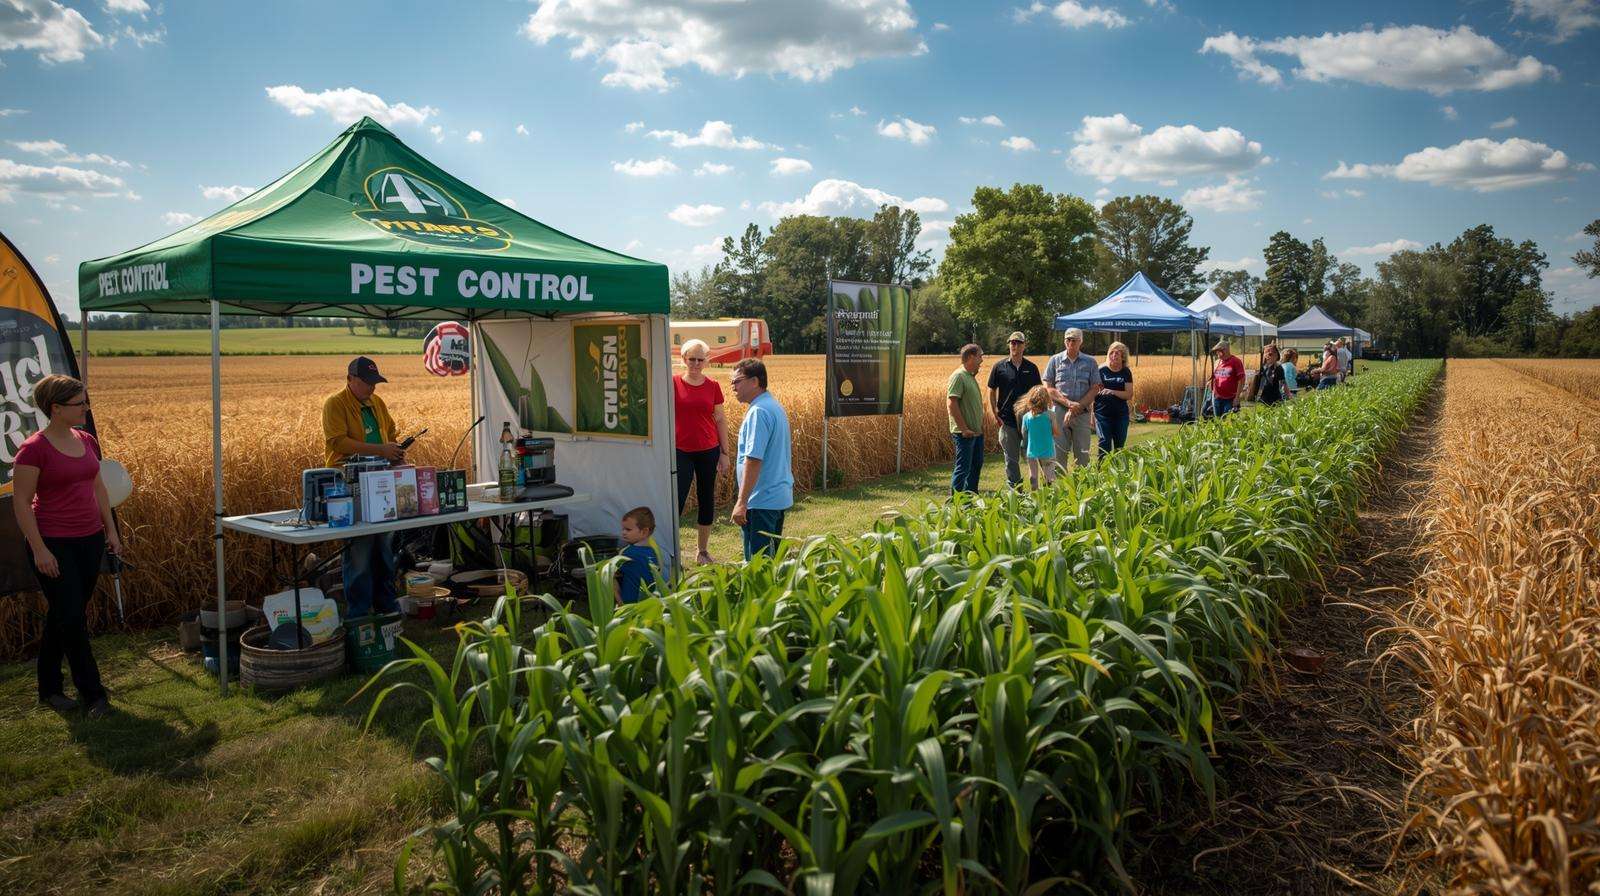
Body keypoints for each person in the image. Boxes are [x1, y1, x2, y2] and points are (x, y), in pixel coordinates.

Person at [11, 374, 120, 717]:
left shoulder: (86, 439)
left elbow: (98, 487)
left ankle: (48, 688)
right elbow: (22, 502)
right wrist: (40, 549)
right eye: (79, 403)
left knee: (63, 614)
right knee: (72, 618)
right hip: (53, 543)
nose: (86, 407)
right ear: (56, 408)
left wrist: (111, 531)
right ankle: (95, 696)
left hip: (89, 540)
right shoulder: (34, 449)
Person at [322, 356, 405, 619]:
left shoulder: (377, 403)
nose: (372, 387)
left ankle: (387, 608)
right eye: (367, 382)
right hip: (350, 485)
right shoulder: (335, 404)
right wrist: (380, 450)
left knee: (383, 547)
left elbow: (390, 434)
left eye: (375, 382)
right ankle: (358, 615)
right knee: (359, 552)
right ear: (350, 379)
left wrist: (395, 452)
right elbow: (338, 442)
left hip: (380, 482)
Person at [673, 339, 730, 566]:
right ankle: (671, 550)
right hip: (680, 451)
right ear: (684, 359)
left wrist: (725, 453)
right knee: (676, 500)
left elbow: (720, 419)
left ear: (706, 361)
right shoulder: (673, 383)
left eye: (700, 359)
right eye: (691, 359)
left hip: (708, 450)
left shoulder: (713, 385)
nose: (695, 363)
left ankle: (702, 551)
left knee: (707, 499)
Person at [729, 359, 793, 560]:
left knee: (758, 565)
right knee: (771, 560)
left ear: (755, 381)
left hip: (761, 500)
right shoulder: (772, 405)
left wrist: (742, 502)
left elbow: (754, 459)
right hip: (775, 497)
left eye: (737, 381)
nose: (733, 387)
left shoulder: (759, 412)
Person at [987, 331, 1041, 490]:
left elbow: (1038, 392)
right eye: (1012, 342)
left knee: (1033, 455)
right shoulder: (999, 367)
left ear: (1024, 346)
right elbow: (991, 390)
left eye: (1018, 343)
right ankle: (1016, 491)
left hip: (1028, 420)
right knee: (1011, 459)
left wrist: (1037, 413)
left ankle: (1036, 488)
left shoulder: (1031, 368)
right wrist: (994, 411)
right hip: (1008, 421)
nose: (1014, 345)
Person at [1042, 328, 1100, 467]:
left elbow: (1095, 388)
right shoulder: (1055, 360)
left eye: (1074, 340)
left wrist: (1077, 406)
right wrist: (1068, 403)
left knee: (1082, 455)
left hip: (1082, 413)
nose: (1071, 343)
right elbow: (1048, 387)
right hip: (1059, 413)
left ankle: (1081, 487)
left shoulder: (1090, 362)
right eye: (1068, 339)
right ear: (1064, 341)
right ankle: (1059, 487)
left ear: (1081, 342)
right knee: (1058, 453)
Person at [947, 344, 988, 495]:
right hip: (965, 433)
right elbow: (952, 403)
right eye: (980, 356)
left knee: (976, 465)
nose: (981, 360)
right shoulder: (958, 376)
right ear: (971, 357)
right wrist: (964, 429)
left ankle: (971, 498)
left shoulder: (969, 376)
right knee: (963, 468)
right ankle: (955, 503)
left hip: (975, 433)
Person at [615, 507, 666, 605]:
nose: (623, 532)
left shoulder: (627, 553)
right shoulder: (654, 551)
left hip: (630, 604)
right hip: (650, 602)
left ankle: (619, 604)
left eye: (628, 529)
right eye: (623, 529)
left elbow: (613, 572)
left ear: (644, 532)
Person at [1094, 341, 1134, 456]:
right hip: (1102, 414)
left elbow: (1129, 394)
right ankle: (1101, 472)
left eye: (1117, 353)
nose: (1114, 355)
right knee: (1104, 444)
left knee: (1119, 447)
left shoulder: (1126, 372)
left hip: (1120, 415)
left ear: (1123, 357)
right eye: (1112, 352)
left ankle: (1117, 472)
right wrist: (1091, 414)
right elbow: (1093, 392)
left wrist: (1112, 392)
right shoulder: (1100, 370)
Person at [1016, 385, 1060, 490]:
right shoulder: (1051, 415)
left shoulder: (1026, 416)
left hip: (1032, 451)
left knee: (1033, 474)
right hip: (1047, 451)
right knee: (1049, 475)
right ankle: (1048, 494)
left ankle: (1034, 493)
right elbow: (1056, 432)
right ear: (1047, 400)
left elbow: (1023, 432)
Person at [1209, 339, 1245, 416]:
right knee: (1218, 421)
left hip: (1230, 398)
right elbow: (1214, 377)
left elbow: (1241, 380)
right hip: (1217, 397)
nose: (1217, 353)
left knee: (1227, 421)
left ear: (1225, 350)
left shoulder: (1236, 361)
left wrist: (1237, 397)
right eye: (1216, 351)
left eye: (1219, 350)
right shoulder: (1217, 362)